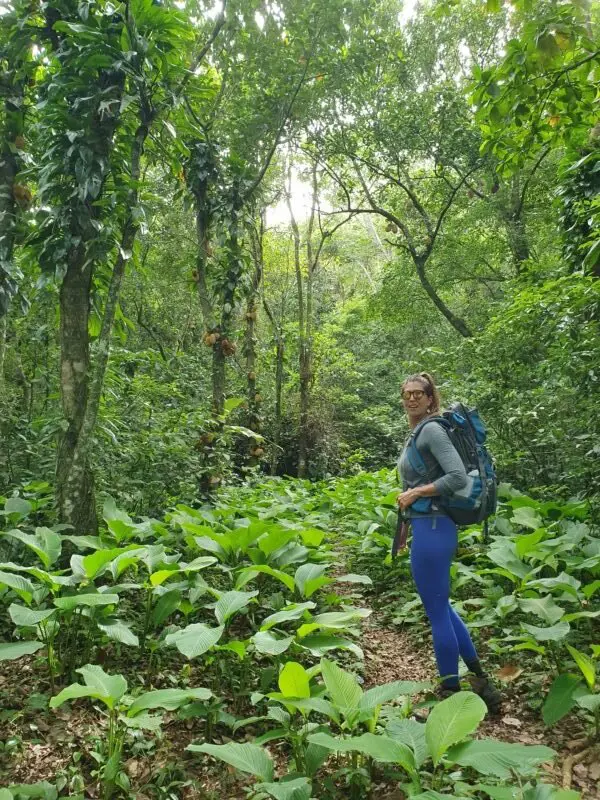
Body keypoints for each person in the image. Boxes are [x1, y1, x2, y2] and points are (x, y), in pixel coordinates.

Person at [396, 372, 501, 711]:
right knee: (443, 607)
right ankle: (481, 681)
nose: (412, 399)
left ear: (430, 398)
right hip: (429, 528)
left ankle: (450, 694)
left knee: (437, 611)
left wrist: (415, 492)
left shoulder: (431, 429)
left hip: (435, 530)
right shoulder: (418, 431)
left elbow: (456, 477)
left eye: (419, 394)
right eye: (407, 394)